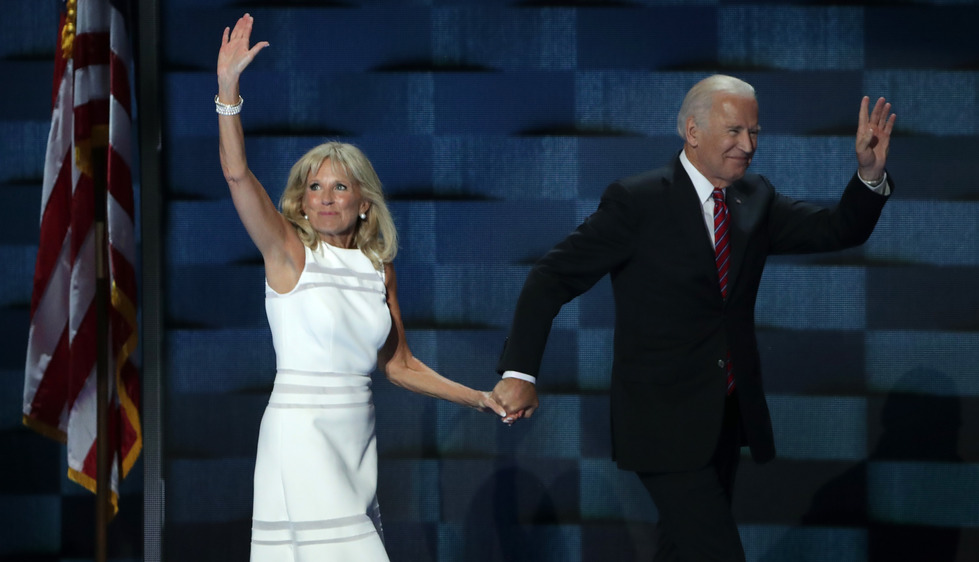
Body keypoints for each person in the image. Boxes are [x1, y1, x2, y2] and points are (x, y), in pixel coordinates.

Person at [492, 74, 896, 561]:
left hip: (724, 417)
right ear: (693, 131)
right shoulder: (636, 201)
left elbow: (838, 229)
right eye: (734, 132)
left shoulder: (755, 198)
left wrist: (869, 176)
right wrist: (519, 372)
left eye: (754, 133)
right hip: (661, 422)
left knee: (682, 552)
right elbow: (551, 278)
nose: (747, 146)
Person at [216, 14, 506, 561]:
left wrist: (481, 400)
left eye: (340, 186)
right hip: (301, 436)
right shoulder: (288, 253)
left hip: (356, 441)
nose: (325, 197)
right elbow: (237, 176)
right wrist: (228, 92)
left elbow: (400, 365)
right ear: (301, 202)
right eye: (314, 188)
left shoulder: (379, 268)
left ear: (363, 201)